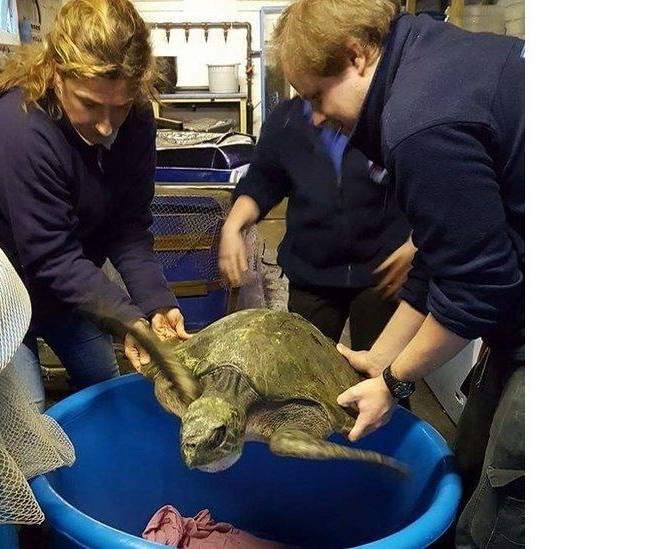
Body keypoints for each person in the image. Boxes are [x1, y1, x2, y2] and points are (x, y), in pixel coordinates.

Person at [274, 1, 524, 546]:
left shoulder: (420, 121)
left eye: (317, 95)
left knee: (505, 511)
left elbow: (479, 286)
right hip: (515, 329)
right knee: (471, 466)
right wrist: (379, 357)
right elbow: (442, 253)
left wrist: (393, 382)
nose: (315, 116)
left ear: (358, 55)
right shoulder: (429, 54)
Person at [0, 0, 189, 391]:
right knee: (29, 405)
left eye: (120, 107)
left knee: (102, 379)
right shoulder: (16, 131)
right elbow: (50, 255)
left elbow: (128, 226)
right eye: (89, 104)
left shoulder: (136, 120)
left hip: (67, 278)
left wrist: (156, 303)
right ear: (57, 77)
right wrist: (126, 319)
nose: (107, 128)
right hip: (0, 287)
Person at [219, 96, 415, 351]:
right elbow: (263, 179)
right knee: (305, 370)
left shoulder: (394, 116)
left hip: (384, 274)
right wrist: (233, 225)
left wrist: (417, 242)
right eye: (307, 96)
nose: (316, 117)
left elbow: (430, 185)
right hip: (312, 273)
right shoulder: (287, 119)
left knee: (380, 376)